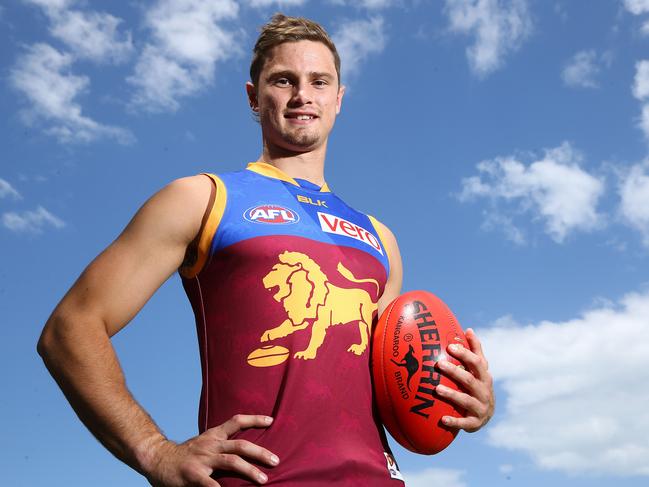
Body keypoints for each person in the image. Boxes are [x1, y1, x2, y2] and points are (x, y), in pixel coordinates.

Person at [37, 14, 494, 487]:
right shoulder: (203, 199)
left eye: (319, 81)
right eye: (283, 80)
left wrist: (462, 396)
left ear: (338, 100)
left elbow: (390, 382)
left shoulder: (380, 239)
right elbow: (70, 328)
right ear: (254, 97)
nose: (303, 95)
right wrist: (154, 451)